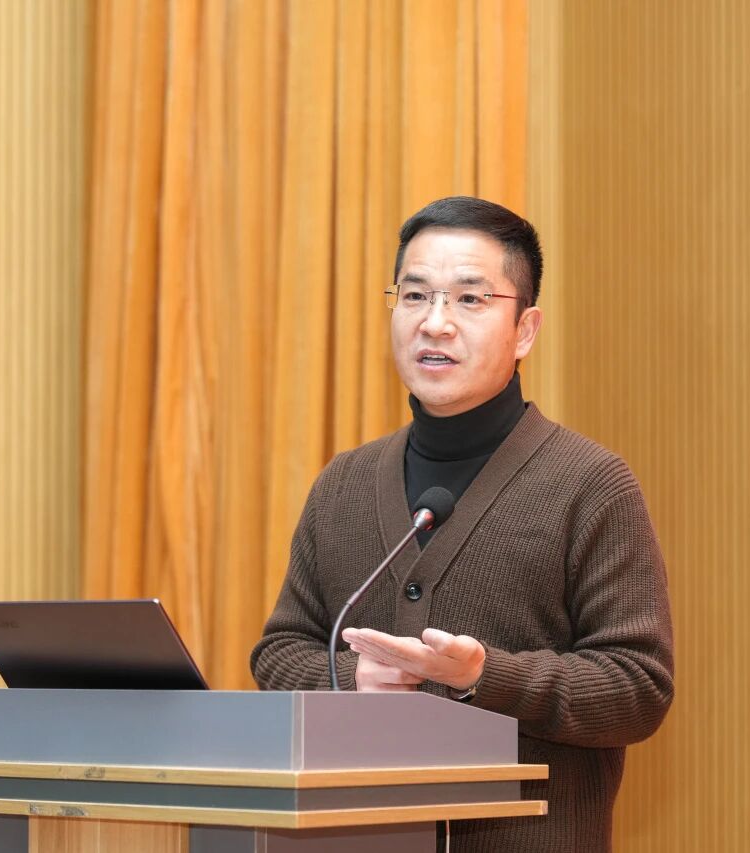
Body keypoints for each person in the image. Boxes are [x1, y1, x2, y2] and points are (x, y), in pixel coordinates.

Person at [250, 196, 674, 852]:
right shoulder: (343, 483)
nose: (435, 323)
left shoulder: (590, 484)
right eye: (415, 295)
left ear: (525, 329)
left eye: (470, 299)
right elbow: (280, 652)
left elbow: (637, 687)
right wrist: (354, 678)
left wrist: (483, 675)